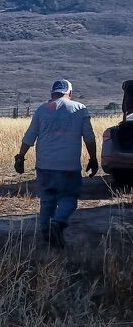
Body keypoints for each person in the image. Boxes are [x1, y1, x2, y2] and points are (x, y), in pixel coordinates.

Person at [14, 79, 97, 247]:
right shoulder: (80, 109)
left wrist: (20, 156)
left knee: (47, 200)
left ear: (52, 93)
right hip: (69, 166)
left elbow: (30, 136)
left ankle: (47, 236)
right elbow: (89, 137)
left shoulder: (42, 110)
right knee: (69, 199)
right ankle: (58, 223)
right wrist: (93, 158)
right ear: (70, 93)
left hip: (44, 165)